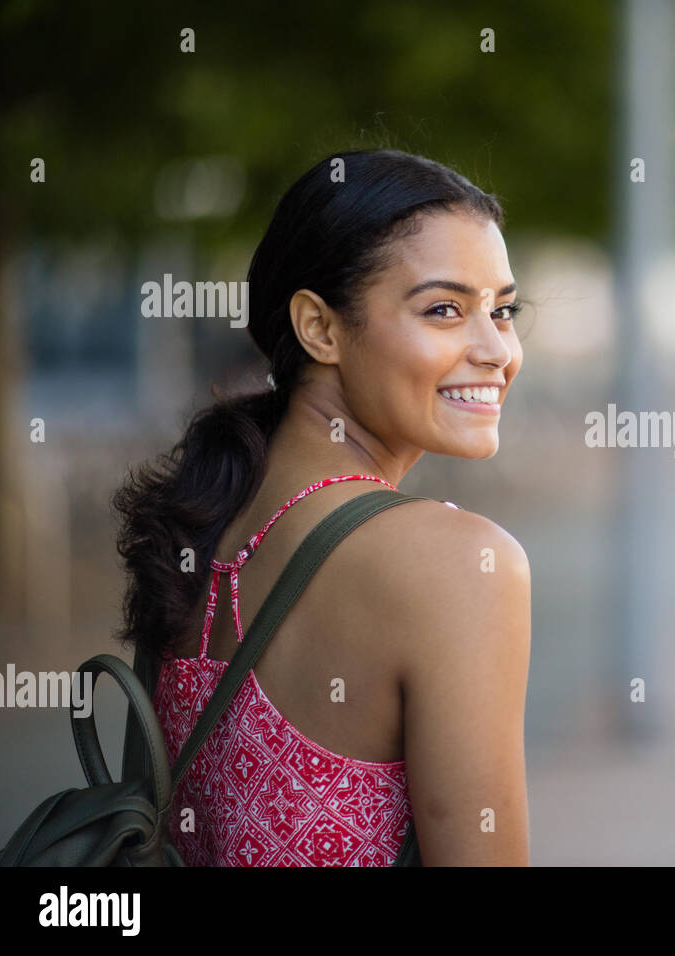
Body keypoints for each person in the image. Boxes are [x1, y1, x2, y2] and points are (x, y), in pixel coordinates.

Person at [111, 149, 532, 865]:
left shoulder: (203, 520)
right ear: (320, 328)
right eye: (444, 310)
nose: (496, 349)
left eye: (503, 310)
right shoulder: (461, 566)